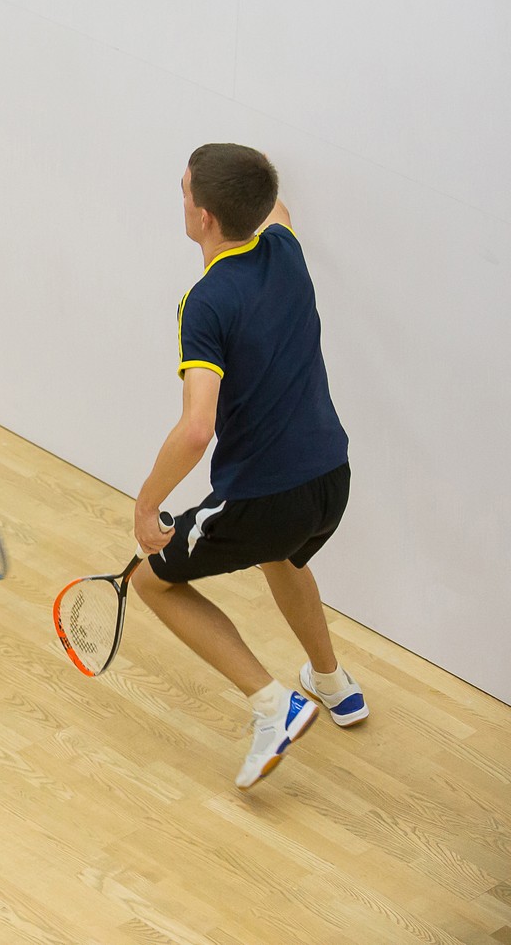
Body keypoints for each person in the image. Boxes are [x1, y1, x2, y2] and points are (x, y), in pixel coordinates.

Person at [130, 143, 365, 791]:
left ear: (204, 216)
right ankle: (333, 684)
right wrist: (251, 175)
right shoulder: (285, 249)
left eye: (184, 190)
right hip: (331, 479)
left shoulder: (204, 304)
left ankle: (273, 704)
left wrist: (148, 505)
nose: (180, 198)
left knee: (152, 581)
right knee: (283, 557)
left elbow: (197, 427)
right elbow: (275, 202)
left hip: (269, 495)